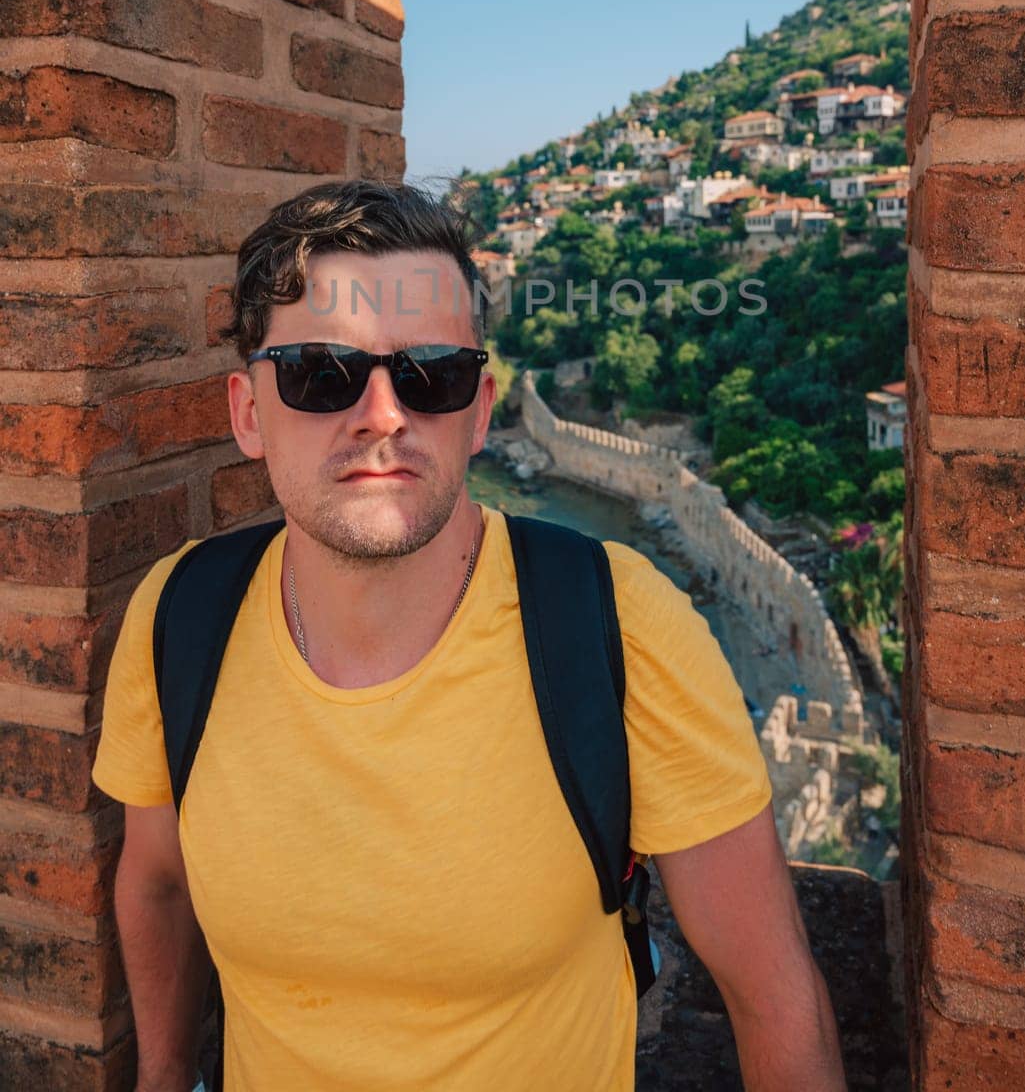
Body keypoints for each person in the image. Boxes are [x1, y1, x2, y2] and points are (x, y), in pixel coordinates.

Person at [92, 179, 847, 1092]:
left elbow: (771, 993)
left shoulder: (616, 624)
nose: (382, 414)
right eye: (320, 374)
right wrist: (164, 1074)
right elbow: (158, 881)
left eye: (431, 373)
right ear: (248, 414)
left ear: (481, 410)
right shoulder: (181, 617)